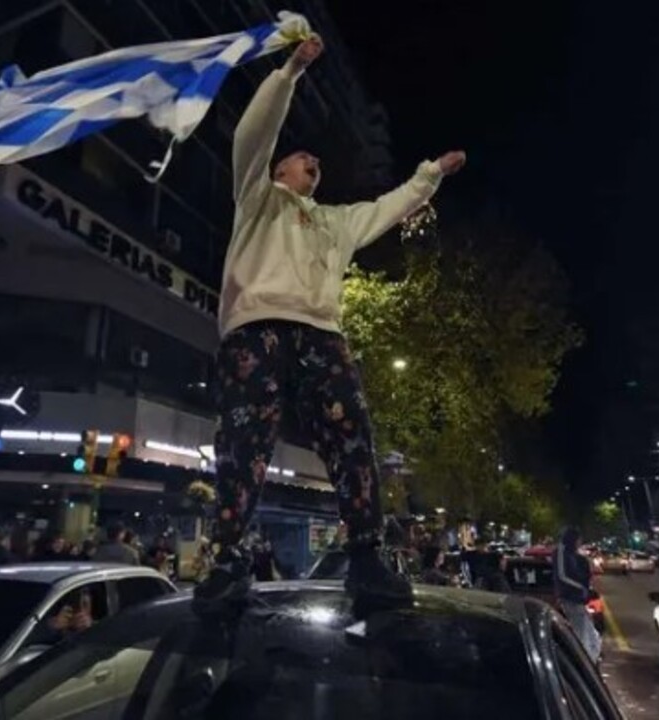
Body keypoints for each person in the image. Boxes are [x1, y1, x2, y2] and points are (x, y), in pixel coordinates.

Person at [194, 33, 466, 613]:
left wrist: (429, 176)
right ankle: (227, 559)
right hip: (257, 330)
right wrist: (290, 71)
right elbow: (252, 133)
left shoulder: (335, 223)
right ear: (279, 168)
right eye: (302, 158)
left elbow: (387, 209)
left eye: (316, 162)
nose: (312, 163)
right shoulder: (256, 199)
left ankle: (366, 557)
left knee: (353, 438)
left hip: (322, 336)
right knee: (244, 442)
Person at [553, 527, 600, 664]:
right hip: (570, 598)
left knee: (592, 637)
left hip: (577, 599)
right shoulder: (561, 552)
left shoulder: (572, 555)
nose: (580, 543)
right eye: (578, 540)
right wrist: (581, 587)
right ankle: (582, 664)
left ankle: (587, 663)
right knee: (582, 636)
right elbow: (562, 576)